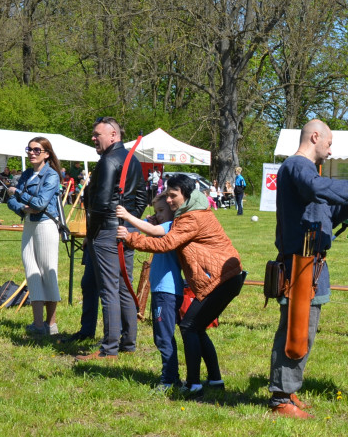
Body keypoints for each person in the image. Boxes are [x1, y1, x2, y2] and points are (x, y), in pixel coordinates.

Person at [268, 119, 348, 418]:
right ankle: (280, 399)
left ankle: (288, 391)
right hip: (299, 262)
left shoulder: (309, 175)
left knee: (307, 329)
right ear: (315, 137)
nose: (330, 152)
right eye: (328, 145)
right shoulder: (297, 166)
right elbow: (315, 187)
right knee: (296, 328)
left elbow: (328, 212)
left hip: (314, 263)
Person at [119, 175, 244, 392]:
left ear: (186, 194)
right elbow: (168, 232)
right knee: (196, 328)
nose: (168, 200)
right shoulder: (190, 214)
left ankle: (193, 385)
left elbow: (167, 243)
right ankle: (214, 381)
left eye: (173, 195)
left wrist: (131, 238)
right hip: (225, 278)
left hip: (223, 280)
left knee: (189, 327)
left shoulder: (191, 217)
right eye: (167, 195)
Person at [77, 117, 148, 361]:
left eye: (97, 134)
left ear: (113, 136)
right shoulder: (132, 160)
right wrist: (128, 223)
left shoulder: (108, 161)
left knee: (110, 289)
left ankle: (109, 349)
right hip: (123, 231)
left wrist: (92, 233)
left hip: (107, 232)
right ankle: (127, 342)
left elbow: (101, 203)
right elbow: (141, 198)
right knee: (123, 286)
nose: (93, 138)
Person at [116, 194, 183, 390]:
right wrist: (146, 220)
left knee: (163, 336)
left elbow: (153, 230)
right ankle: (171, 377)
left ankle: (169, 379)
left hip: (167, 291)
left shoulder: (171, 227)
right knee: (160, 335)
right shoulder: (161, 228)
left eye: (162, 211)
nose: (158, 215)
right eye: (156, 212)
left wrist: (127, 216)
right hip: (162, 290)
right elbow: (146, 229)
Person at [7, 137, 63, 337]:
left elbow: (39, 203)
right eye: (29, 149)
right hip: (29, 224)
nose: (32, 153)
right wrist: (23, 207)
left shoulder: (52, 175)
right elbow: (11, 200)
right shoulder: (28, 174)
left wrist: (19, 194)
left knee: (49, 272)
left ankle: (51, 324)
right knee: (31, 272)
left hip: (46, 225)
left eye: (37, 150)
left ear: (47, 153)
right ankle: (38, 324)